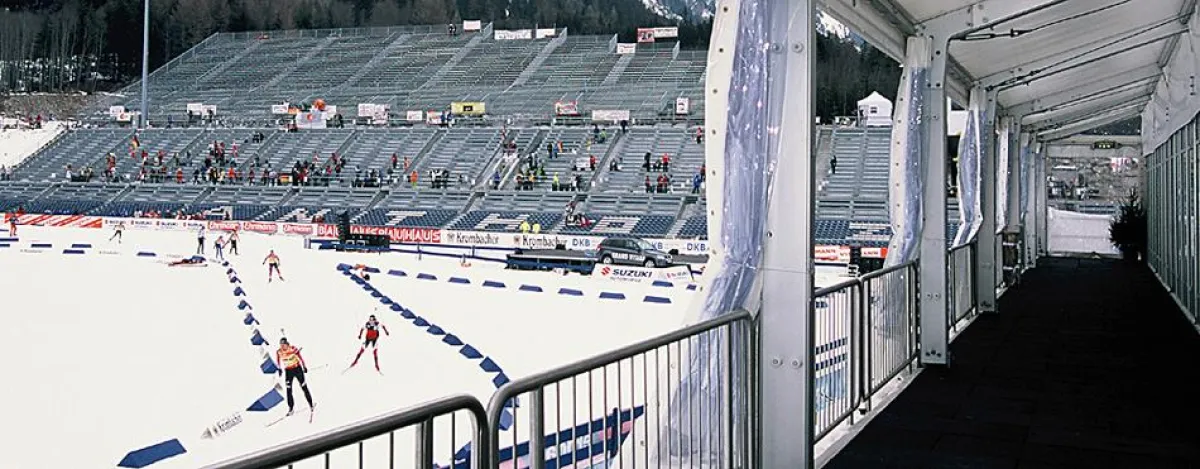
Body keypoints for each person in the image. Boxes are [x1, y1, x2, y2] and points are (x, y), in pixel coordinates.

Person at [276, 337, 315, 416]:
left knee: (304, 386)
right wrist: (279, 369)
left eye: (283, 345)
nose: (282, 347)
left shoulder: (293, 349)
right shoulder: (279, 352)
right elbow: (278, 361)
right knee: (288, 390)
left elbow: (300, 357)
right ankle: (291, 408)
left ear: (287, 344)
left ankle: (311, 404)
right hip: (288, 371)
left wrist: (304, 366)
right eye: (281, 345)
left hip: (297, 369)